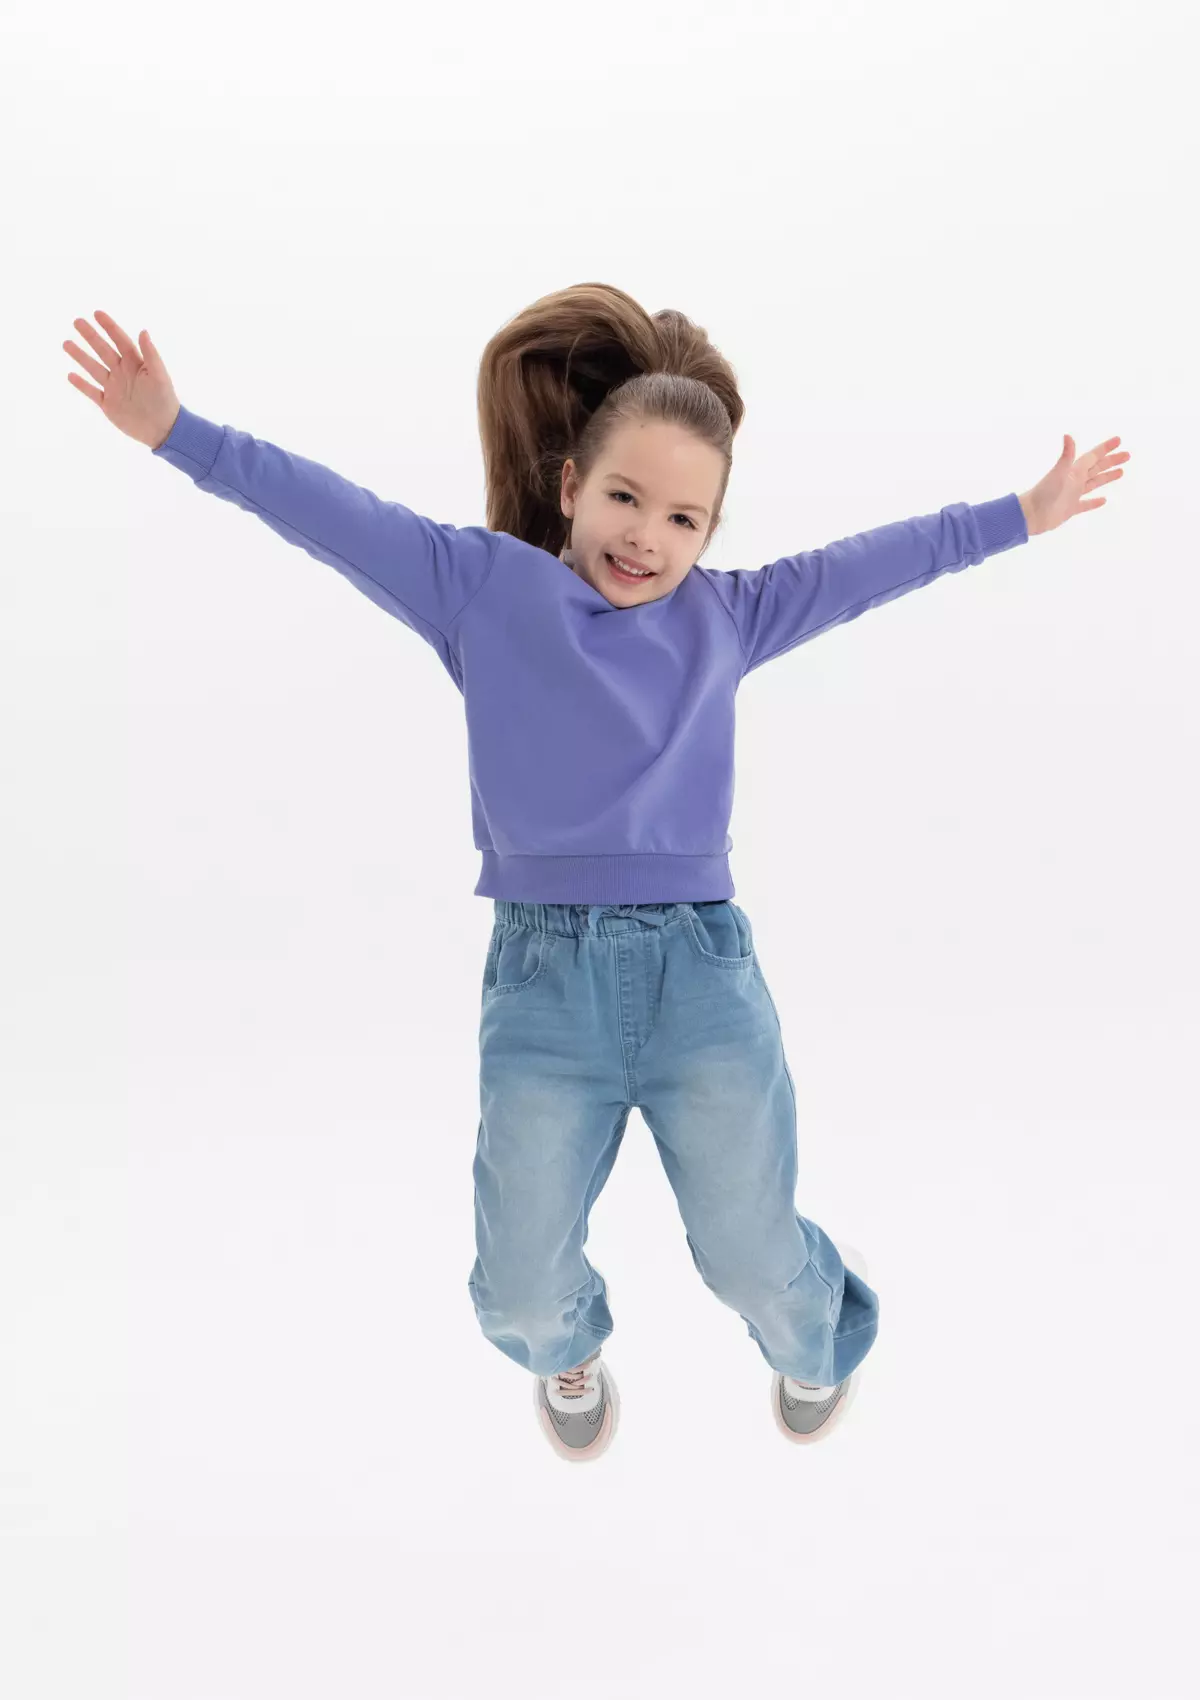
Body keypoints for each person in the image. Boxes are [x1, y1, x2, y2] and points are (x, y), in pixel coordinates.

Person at [63, 286, 1129, 1465]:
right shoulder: (482, 588)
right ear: (570, 484)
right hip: (544, 983)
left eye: (683, 518)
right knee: (519, 1283)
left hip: (699, 981)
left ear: (709, 533)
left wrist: (1022, 514)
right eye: (625, 497)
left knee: (750, 1253)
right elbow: (332, 512)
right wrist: (178, 433)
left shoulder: (729, 615)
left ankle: (818, 1326)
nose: (646, 537)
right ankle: (565, 1345)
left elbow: (876, 562)